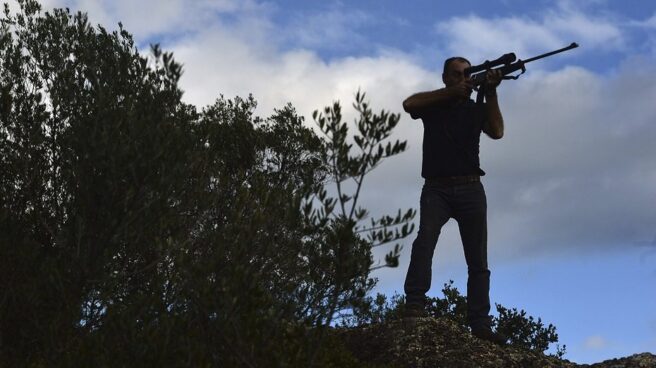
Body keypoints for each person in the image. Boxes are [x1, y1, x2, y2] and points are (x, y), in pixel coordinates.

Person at [401, 56, 507, 345]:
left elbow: (497, 131)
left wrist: (492, 91)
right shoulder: (434, 105)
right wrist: (449, 94)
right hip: (436, 189)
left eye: (466, 75)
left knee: (478, 259)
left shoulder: (474, 109)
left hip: (471, 187)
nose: (463, 79)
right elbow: (409, 104)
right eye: (457, 75)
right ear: (446, 77)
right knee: (425, 241)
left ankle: (480, 323)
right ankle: (414, 304)